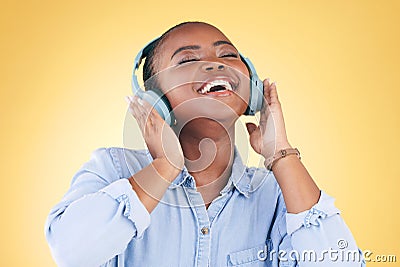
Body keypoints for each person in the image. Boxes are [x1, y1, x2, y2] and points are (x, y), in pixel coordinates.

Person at [45, 21, 365, 267]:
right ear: (155, 101)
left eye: (227, 55)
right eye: (187, 61)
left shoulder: (279, 192)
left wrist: (280, 153)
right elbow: (72, 251)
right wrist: (164, 167)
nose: (215, 64)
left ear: (251, 89)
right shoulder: (112, 169)